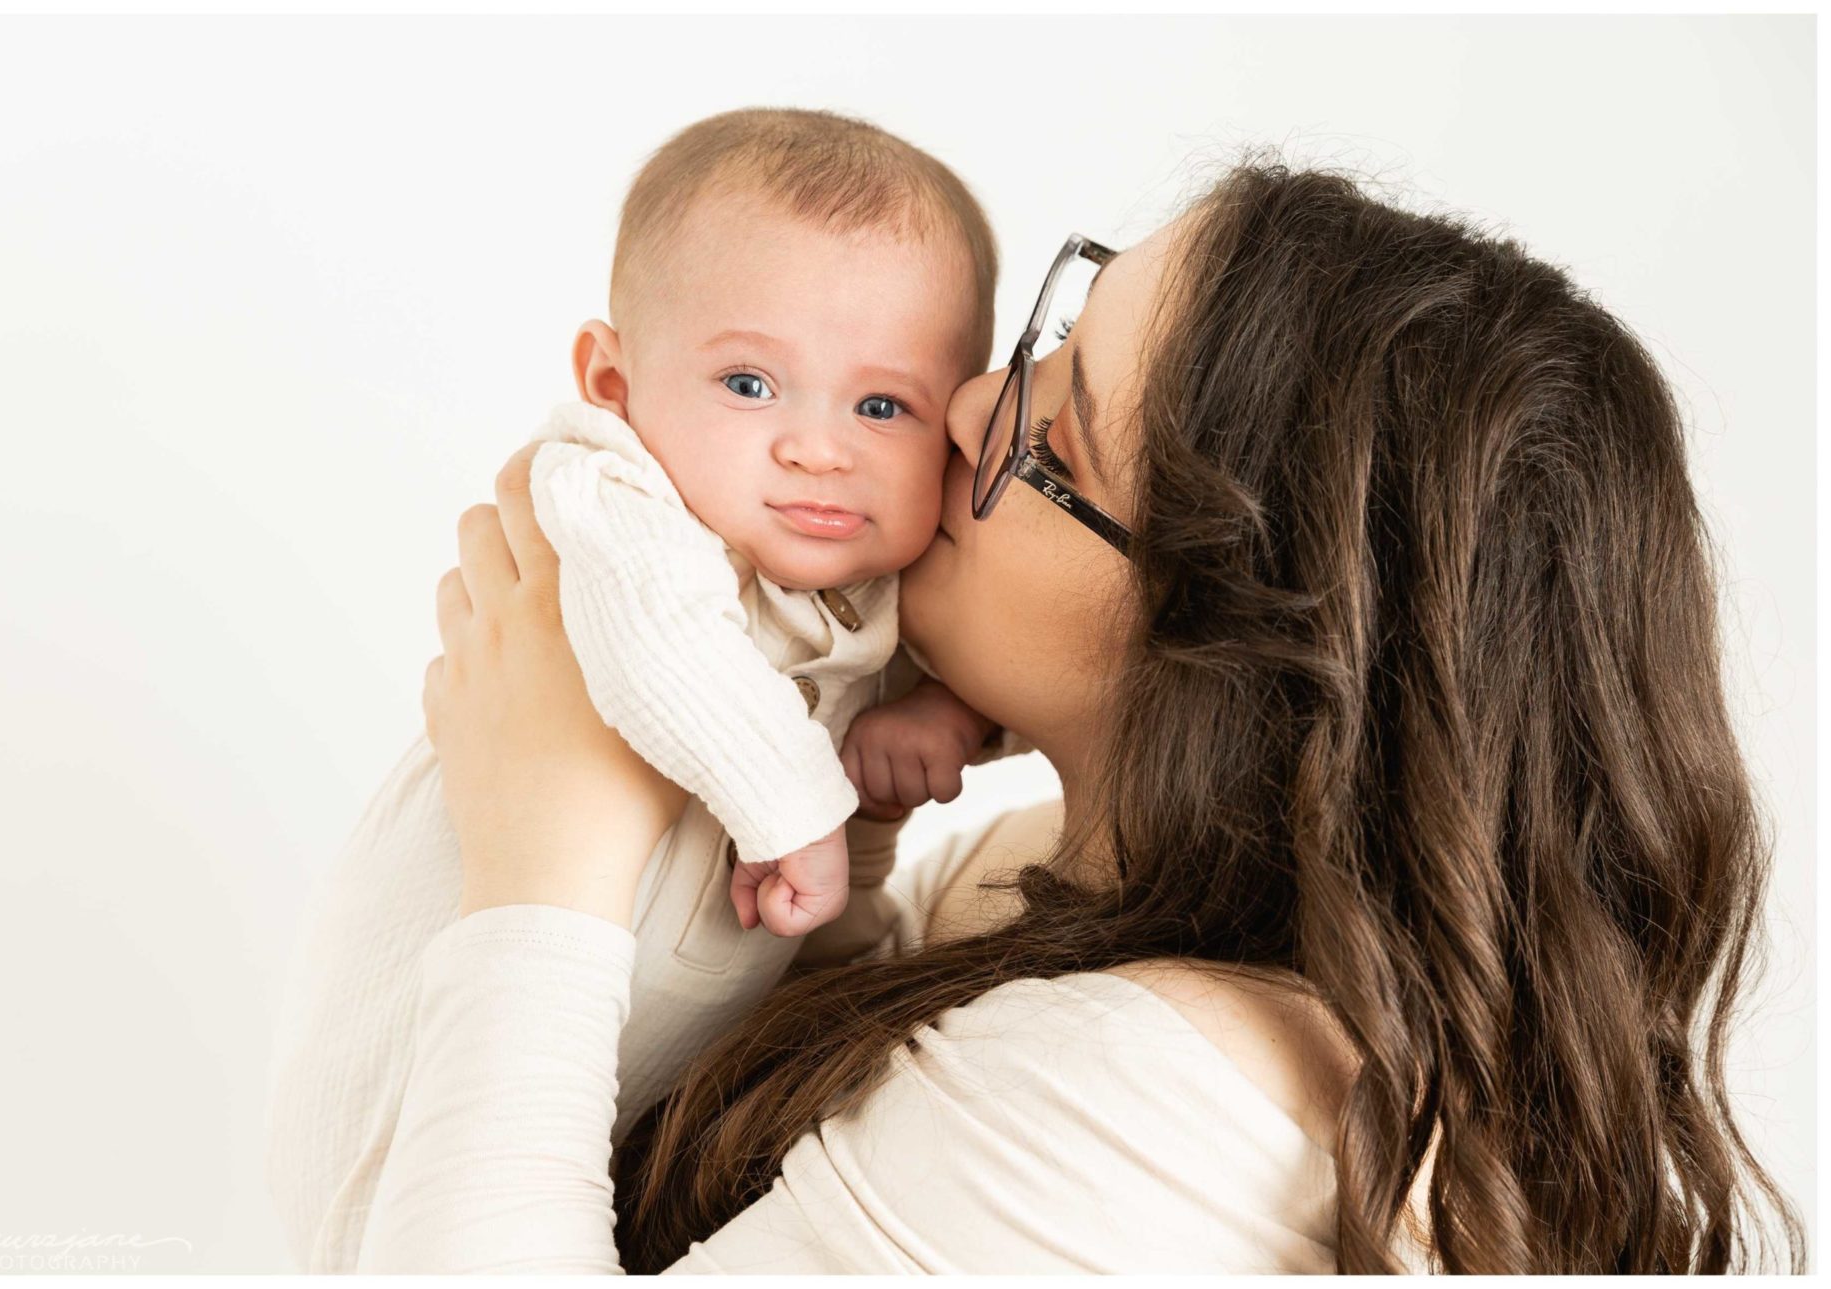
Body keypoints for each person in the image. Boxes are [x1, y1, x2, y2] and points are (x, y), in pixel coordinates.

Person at [372, 157, 1808, 1273]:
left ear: (1235, 634)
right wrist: (851, 816)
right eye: (1049, 331)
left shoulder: (1139, 1092)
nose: (963, 403)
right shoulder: (1055, 882)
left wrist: (542, 860)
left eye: (1051, 434)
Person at [261, 107, 1029, 1273]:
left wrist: (945, 715)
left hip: (616, 1099)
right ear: (614, 380)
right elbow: (659, 643)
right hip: (421, 1052)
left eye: (882, 406)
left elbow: (1023, 670)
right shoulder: (614, 500)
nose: (817, 447)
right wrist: (800, 810)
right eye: (750, 382)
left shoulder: (872, 582)